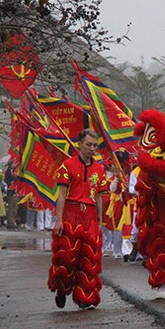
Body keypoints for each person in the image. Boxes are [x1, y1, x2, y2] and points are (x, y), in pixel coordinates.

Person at [48, 129, 107, 310]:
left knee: (89, 258)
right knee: (67, 257)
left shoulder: (100, 169)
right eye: (89, 145)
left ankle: (85, 296)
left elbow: (98, 197)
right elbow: (62, 195)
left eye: (95, 145)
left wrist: (99, 221)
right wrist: (59, 220)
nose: (92, 148)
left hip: (89, 215)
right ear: (79, 145)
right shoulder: (67, 165)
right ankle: (61, 288)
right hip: (71, 213)